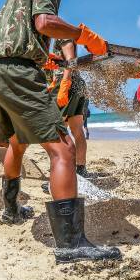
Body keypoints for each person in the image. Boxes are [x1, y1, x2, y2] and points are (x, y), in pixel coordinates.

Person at [0, 0, 120, 263]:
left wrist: (46, 58)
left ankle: (11, 209)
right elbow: (45, 23)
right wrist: (85, 36)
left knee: (16, 142)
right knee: (64, 150)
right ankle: (71, 245)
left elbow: (20, 36)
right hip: (17, 73)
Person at [50, 39, 92, 178]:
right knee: (77, 130)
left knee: (56, 130)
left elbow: (70, 59)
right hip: (78, 84)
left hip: (68, 82)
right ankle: (80, 170)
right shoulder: (62, 36)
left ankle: (62, 172)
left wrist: (65, 83)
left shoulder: (61, 35)